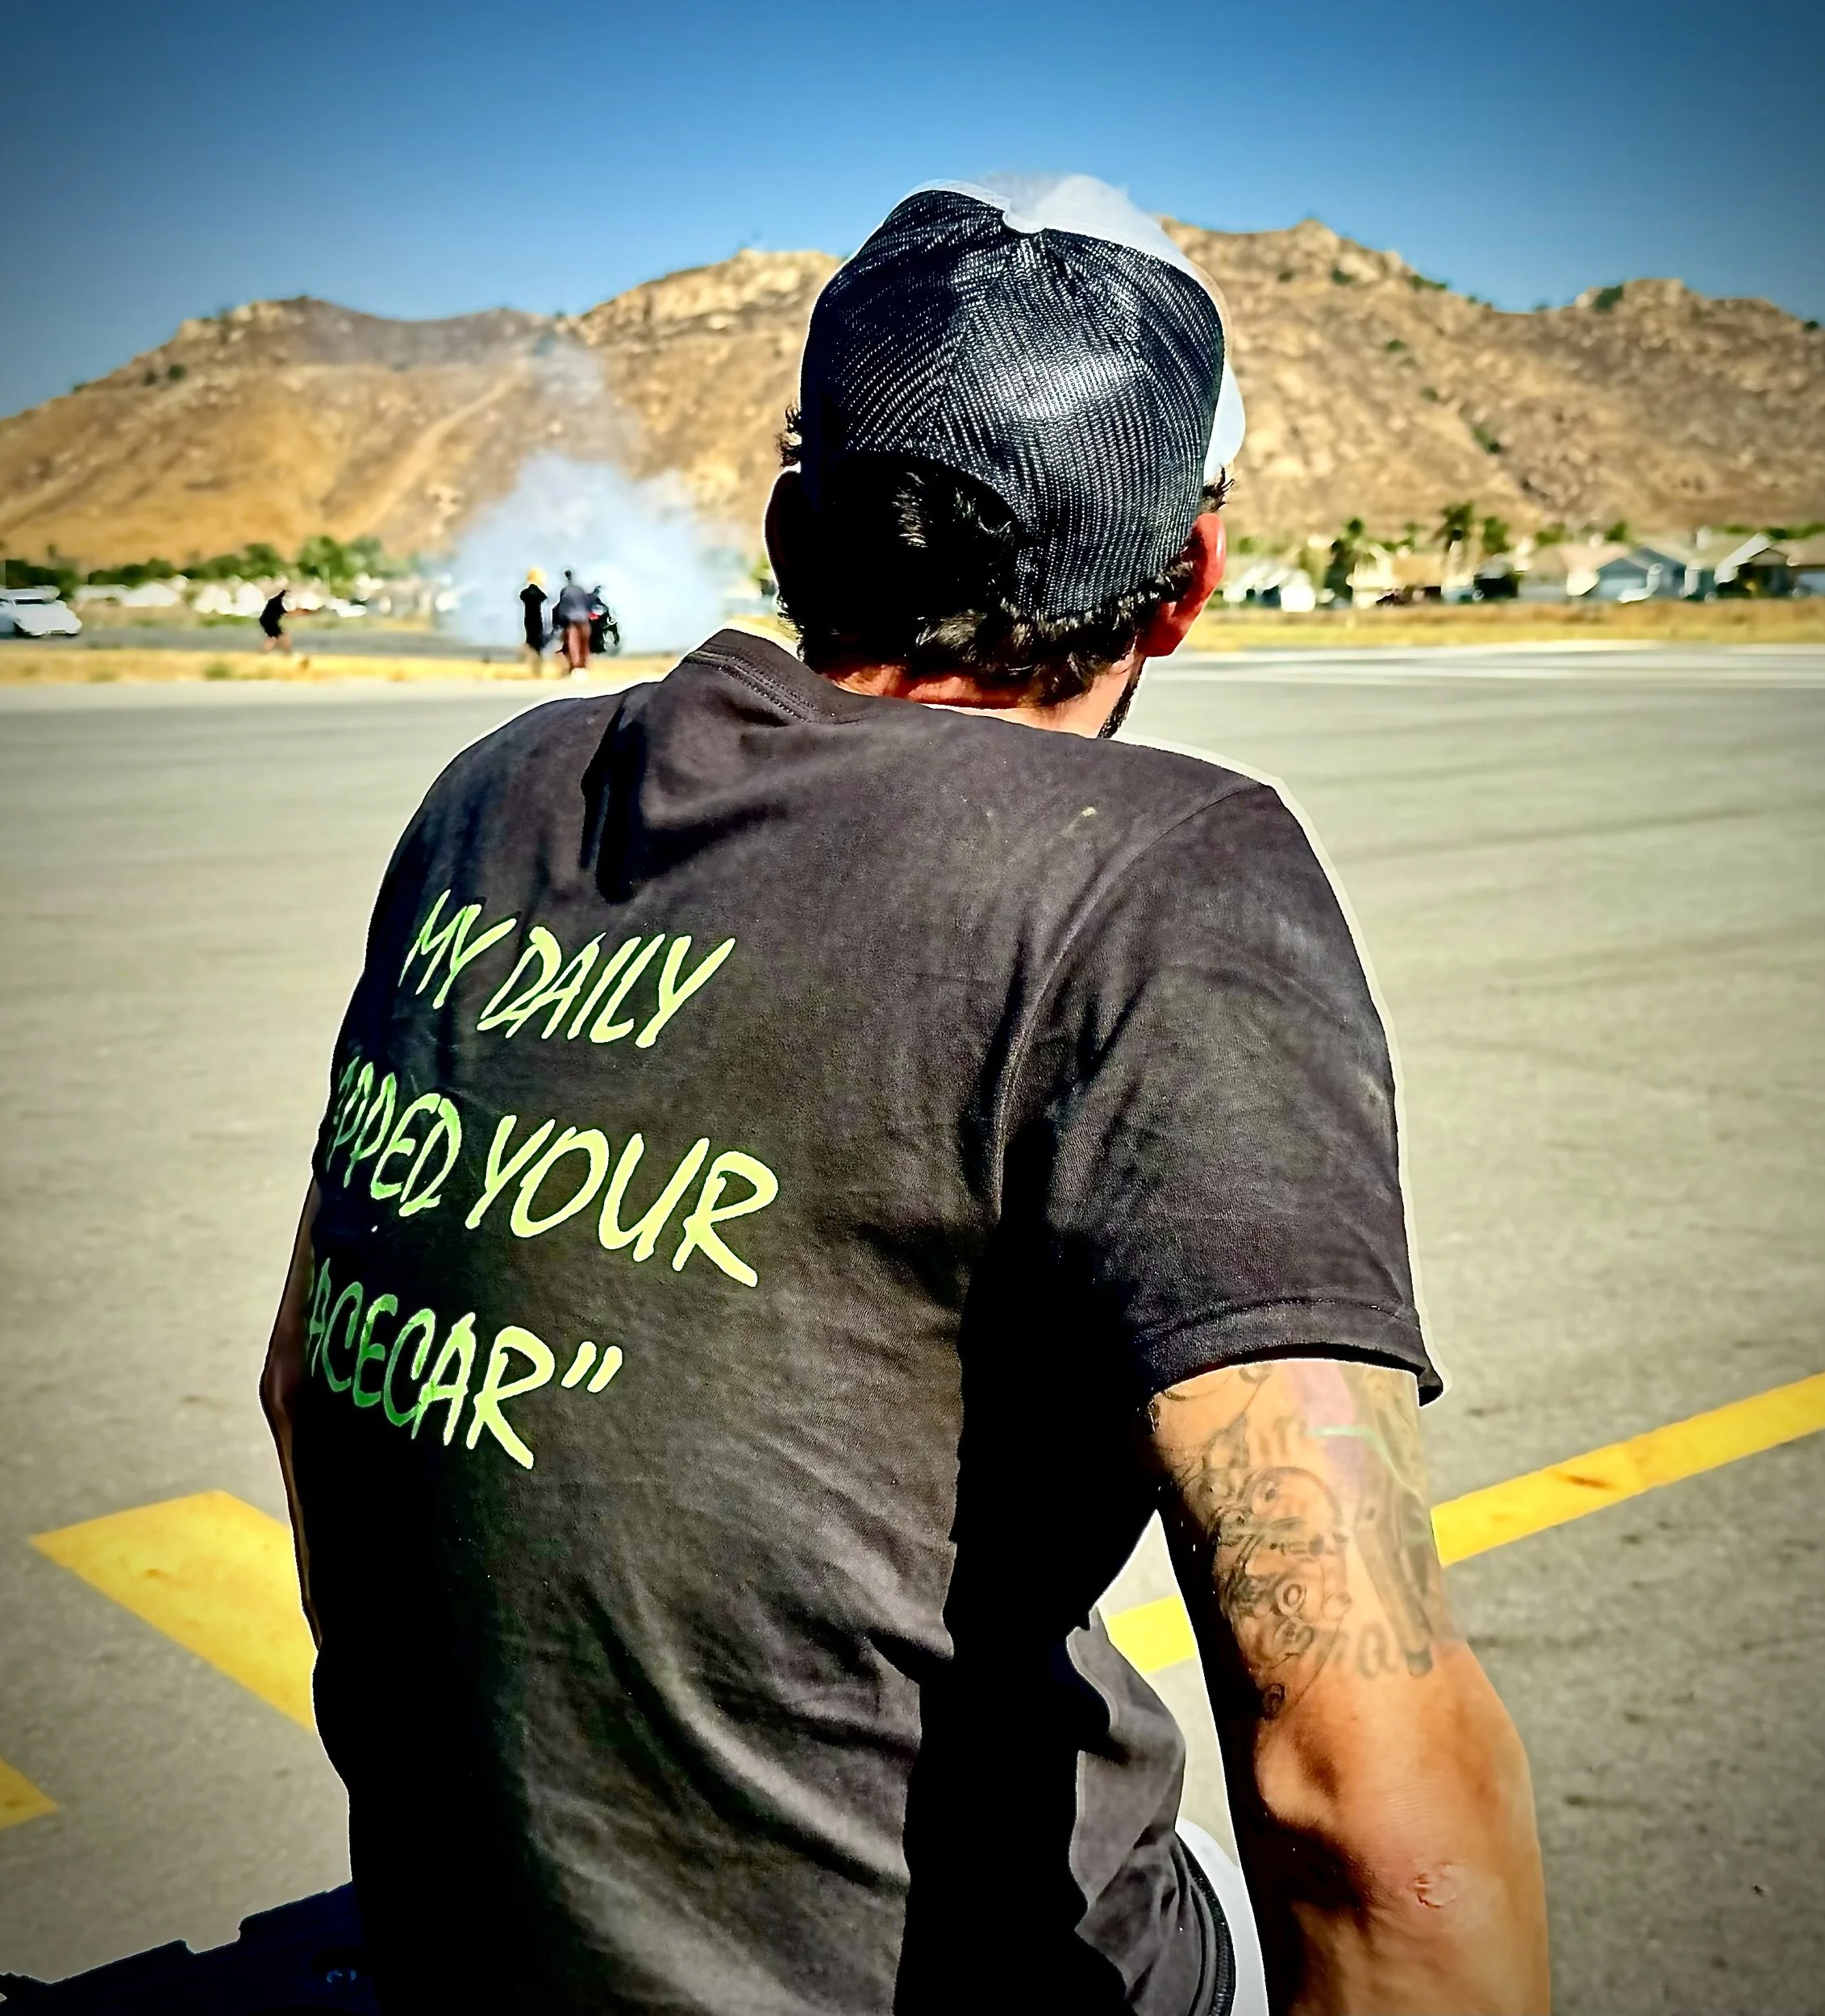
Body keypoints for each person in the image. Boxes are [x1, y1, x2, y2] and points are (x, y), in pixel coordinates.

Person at [261, 174, 1548, 2014]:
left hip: (462, 1941)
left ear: (797, 521)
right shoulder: (1160, 877)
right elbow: (1372, 1804)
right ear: (1181, 585)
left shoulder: (500, 792)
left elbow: (309, 1384)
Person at [555, 569, 593, 672]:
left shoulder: (565, 591)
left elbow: (562, 608)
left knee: (574, 645)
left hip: (572, 622)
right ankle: (583, 667)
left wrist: (559, 622)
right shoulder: (581, 590)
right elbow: (588, 603)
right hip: (584, 620)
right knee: (584, 645)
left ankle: (576, 668)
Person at [519, 568, 550, 673]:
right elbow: (545, 597)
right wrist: (543, 586)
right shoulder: (538, 592)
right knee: (537, 645)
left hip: (528, 620)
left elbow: (521, 595)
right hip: (537, 620)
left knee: (531, 642)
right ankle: (538, 668)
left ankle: (534, 667)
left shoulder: (526, 593)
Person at [258, 583, 294, 656]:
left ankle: (287, 652)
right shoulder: (277, 602)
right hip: (269, 622)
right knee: (275, 638)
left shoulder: (274, 601)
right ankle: (287, 653)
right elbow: (286, 613)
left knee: (278, 636)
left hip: (267, 621)